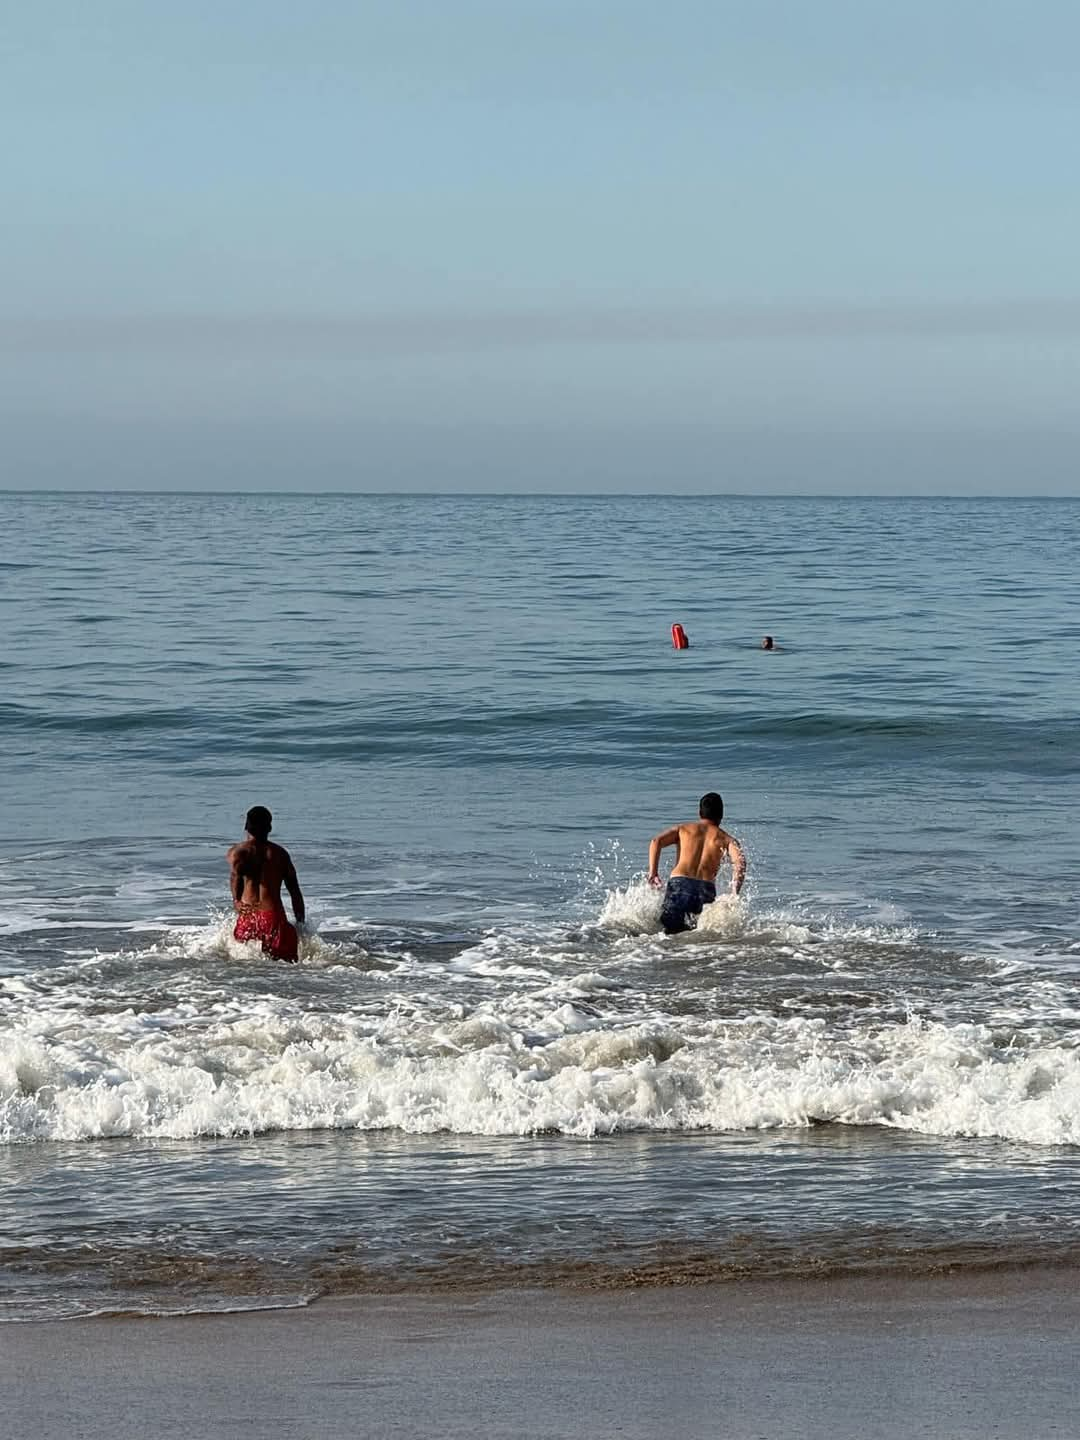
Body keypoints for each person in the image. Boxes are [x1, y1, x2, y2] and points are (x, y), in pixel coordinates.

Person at [647, 792, 746, 934]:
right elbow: (740, 862)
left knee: (667, 932)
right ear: (721, 815)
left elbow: (656, 842)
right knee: (695, 936)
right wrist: (734, 891)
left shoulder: (683, 829)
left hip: (679, 884)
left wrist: (653, 873)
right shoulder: (727, 840)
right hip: (705, 889)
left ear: (699, 812)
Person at [227, 806, 305, 961]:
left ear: (246, 826)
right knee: (283, 967)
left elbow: (235, 877)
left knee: (243, 963)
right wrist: (301, 924)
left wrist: (236, 901)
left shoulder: (238, 853)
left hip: (247, 914)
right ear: (269, 827)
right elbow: (294, 891)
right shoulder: (280, 855)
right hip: (272, 916)